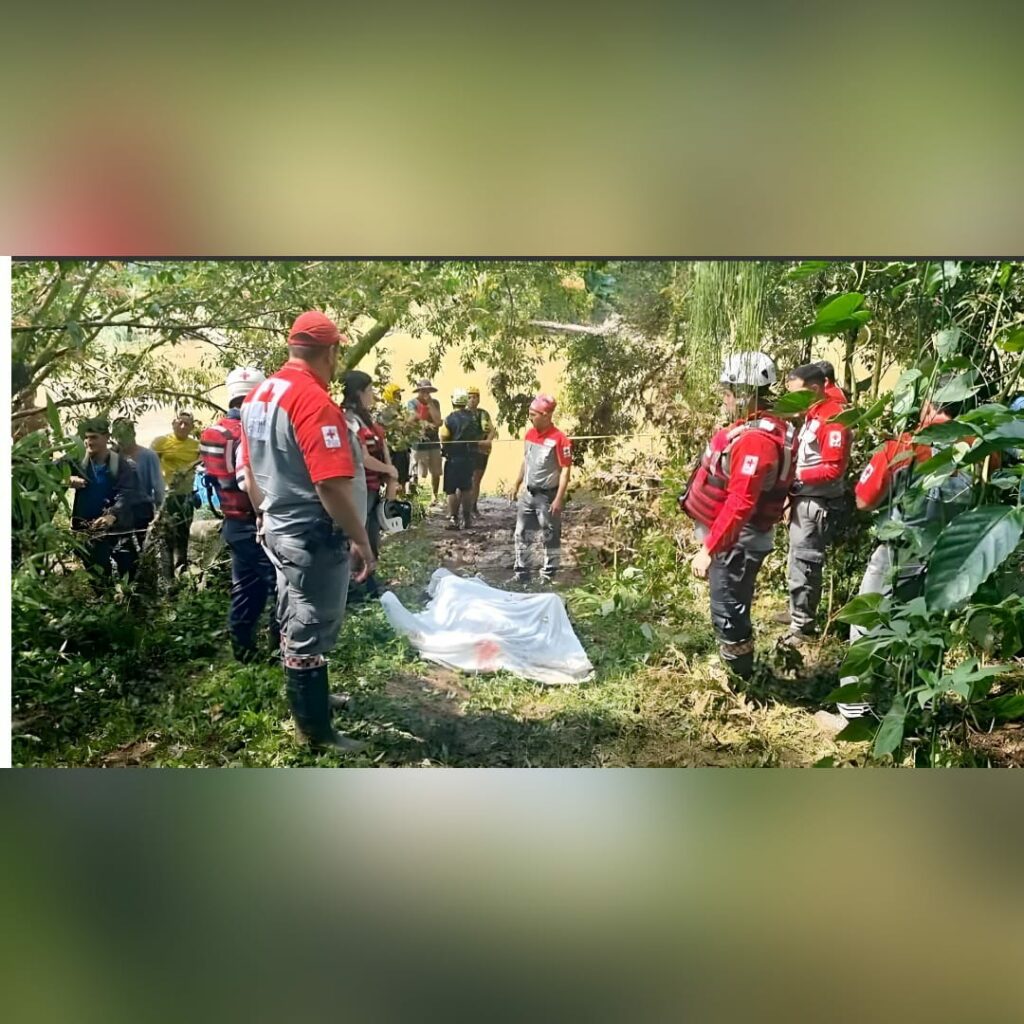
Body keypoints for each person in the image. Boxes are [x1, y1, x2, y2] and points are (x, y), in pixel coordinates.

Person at [239, 310, 374, 754]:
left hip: (279, 527)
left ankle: (313, 697)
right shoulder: (313, 402)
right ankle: (317, 731)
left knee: (292, 613)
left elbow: (251, 471)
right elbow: (331, 483)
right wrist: (360, 538)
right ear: (332, 352)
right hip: (311, 534)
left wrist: (264, 516)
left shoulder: (260, 395)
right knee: (309, 624)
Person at [835, 389, 973, 719]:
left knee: (867, 626)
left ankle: (855, 714)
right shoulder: (980, 449)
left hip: (899, 554)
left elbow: (864, 500)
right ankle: (919, 711)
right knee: (926, 632)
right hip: (954, 559)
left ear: (928, 405)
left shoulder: (904, 446)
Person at [679, 353, 797, 679]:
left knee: (728, 609)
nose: (725, 398)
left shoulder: (756, 442)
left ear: (744, 394)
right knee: (730, 603)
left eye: (728, 391)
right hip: (734, 541)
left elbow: (741, 503)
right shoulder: (758, 428)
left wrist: (708, 550)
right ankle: (738, 671)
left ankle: (740, 681)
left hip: (737, 544)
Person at [199, 367, 281, 663]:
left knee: (247, 587)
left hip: (232, 521)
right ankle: (281, 652)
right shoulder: (249, 432)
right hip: (257, 521)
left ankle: (243, 652)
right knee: (280, 585)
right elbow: (251, 478)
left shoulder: (212, 433)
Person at [779, 363, 853, 645]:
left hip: (816, 502)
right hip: (804, 498)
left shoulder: (833, 418)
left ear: (813, 389)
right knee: (796, 561)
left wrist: (794, 477)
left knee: (806, 564)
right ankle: (797, 612)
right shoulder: (813, 414)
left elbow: (834, 469)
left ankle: (803, 628)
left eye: (796, 394)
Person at [63, 416, 144, 578]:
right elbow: (47, 472)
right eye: (85, 438)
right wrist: (66, 480)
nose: (88, 442)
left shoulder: (121, 464)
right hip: (88, 526)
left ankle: (129, 599)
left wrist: (112, 515)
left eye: (94, 437)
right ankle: (103, 597)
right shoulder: (76, 461)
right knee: (96, 573)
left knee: (129, 569)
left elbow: (127, 493)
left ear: (107, 437)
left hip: (117, 527)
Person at [343, 370, 398, 601]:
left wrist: (390, 476)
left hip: (373, 487)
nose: (373, 394)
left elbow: (380, 448)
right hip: (358, 488)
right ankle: (353, 586)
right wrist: (389, 470)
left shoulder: (366, 419)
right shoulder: (348, 419)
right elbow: (362, 458)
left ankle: (368, 583)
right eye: (369, 390)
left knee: (371, 537)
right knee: (358, 538)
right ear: (358, 392)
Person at [509, 394, 573, 584]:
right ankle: (522, 574)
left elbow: (565, 470)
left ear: (546, 415)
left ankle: (548, 575)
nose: (530, 417)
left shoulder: (560, 440)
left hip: (548, 496)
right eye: (529, 414)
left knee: (550, 535)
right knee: (521, 533)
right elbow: (526, 461)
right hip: (528, 494)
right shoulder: (529, 434)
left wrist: (559, 498)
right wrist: (516, 483)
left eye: (533, 414)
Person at [152, 410, 201, 577]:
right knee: (166, 537)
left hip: (186, 496)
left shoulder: (196, 446)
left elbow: (205, 459)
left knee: (183, 534)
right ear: (173, 424)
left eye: (186, 424)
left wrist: (191, 466)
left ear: (192, 427)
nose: (182, 426)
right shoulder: (161, 442)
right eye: (179, 422)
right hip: (167, 496)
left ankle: (181, 569)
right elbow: (150, 464)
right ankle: (167, 577)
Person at [111, 417, 164, 570]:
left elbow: (158, 486)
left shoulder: (148, 456)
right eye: (118, 435)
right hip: (120, 509)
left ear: (133, 433)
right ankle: (129, 582)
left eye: (125, 434)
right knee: (123, 550)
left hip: (142, 507)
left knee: (147, 547)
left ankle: (149, 582)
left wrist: (159, 513)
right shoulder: (112, 457)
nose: (121, 439)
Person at [439, 388, 483, 531]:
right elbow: (479, 435)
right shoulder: (474, 419)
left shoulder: (449, 419)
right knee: (466, 488)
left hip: (453, 458)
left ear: (453, 401)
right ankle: (467, 518)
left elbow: (444, 437)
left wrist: (445, 447)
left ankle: (454, 519)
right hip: (469, 457)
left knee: (451, 490)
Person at [407, 379, 443, 502]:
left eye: (427, 390)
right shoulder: (412, 403)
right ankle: (413, 497)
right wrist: (425, 423)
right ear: (419, 391)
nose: (425, 393)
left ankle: (435, 496)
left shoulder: (435, 403)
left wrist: (430, 404)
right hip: (418, 443)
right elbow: (411, 420)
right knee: (414, 471)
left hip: (433, 441)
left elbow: (438, 421)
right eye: (423, 390)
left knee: (436, 471)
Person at [377, 382, 415, 496]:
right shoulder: (385, 412)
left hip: (402, 449)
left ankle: (401, 501)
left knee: (402, 479)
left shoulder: (401, 410)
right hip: (391, 450)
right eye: (396, 394)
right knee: (393, 481)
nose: (399, 397)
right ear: (389, 395)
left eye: (399, 394)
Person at [466, 385, 497, 516]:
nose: (472, 400)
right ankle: (464, 508)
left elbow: (492, 430)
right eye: (470, 397)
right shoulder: (462, 414)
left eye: (475, 397)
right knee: (467, 480)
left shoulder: (483, 413)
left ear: (478, 399)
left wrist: (488, 440)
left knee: (476, 479)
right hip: (468, 451)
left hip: (481, 451)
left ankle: (473, 506)